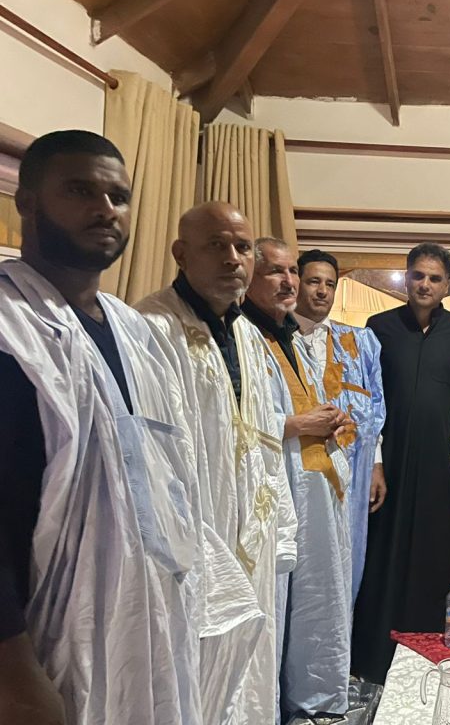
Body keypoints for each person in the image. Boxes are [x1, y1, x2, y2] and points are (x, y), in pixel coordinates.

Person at [0, 130, 200, 724]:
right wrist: (15, 676)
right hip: (44, 640)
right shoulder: (11, 331)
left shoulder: (135, 331)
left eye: (119, 196)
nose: (106, 209)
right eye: (80, 191)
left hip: (145, 624)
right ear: (27, 201)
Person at [136, 202, 298, 725]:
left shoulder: (248, 333)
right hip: (193, 534)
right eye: (216, 245)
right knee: (194, 668)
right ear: (181, 254)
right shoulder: (150, 328)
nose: (233, 258)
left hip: (250, 525)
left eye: (243, 247)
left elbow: (264, 435)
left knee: (253, 661)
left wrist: (280, 522)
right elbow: (151, 454)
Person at [352, 242, 450, 682]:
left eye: (435, 278)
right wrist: (375, 463)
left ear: (447, 285)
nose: (425, 284)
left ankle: (425, 656)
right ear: (406, 278)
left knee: (433, 556)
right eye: (418, 275)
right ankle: (373, 656)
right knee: (382, 556)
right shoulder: (378, 328)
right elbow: (366, 399)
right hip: (388, 465)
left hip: (439, 465)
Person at [243, 238, 355, 721]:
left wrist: (327, 418)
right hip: (273, 487)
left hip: (313, 484)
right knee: (276, 601)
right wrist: (294, 424)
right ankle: (271, 705)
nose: (288, 281)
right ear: (248, 275)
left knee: (319, 596)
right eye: (276, 271)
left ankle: (315, 698)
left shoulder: (289, 333)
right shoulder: (242, 334)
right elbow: (227, 420)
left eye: (292, 271)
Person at [294, 249, 386, 606]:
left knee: (343, 562)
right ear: (296, 282)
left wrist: (375, 464)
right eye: (314, 281)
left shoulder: (360, 343)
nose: (322, 291)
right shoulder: (272, 340)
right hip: (296, 472)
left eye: (330, 284)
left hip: (350, 474)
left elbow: (374, 409)